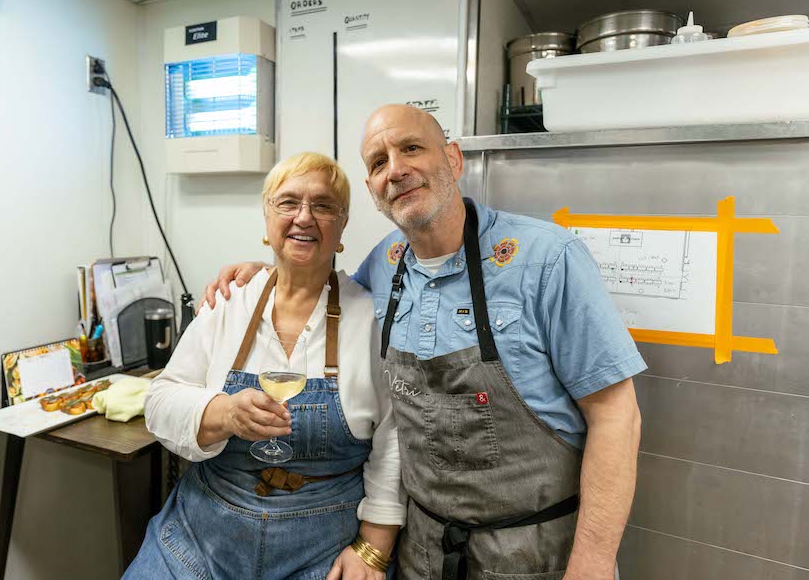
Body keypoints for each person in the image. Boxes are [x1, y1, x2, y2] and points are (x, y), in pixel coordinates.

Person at [200, 104, 646, 580]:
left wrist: (593, 566)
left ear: (453, 160)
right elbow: (324, 291)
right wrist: (267, 271)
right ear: (373, 191)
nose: (395, 169)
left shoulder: (548, 259)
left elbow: (617, 416)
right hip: (424, 553)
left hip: (537, 554)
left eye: (411, 148)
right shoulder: (385, 265)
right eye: (377, 163)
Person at [125, 152, 405, 580]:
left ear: (342, 226)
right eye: (288, 203)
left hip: (324, 546)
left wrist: (372, 548)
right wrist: (223, 413)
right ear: (267, 216)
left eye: (323, 205)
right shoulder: (229, 301)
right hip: (201, 536)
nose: (304, 217)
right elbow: (160, 402)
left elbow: (393, 441)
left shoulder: (370, 316)